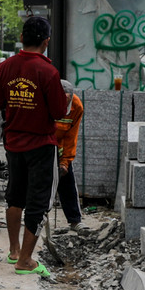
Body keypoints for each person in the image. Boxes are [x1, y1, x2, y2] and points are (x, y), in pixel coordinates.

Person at [0, 15, 67, 277]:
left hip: (13, 143)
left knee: (15, 195)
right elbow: (57, 112)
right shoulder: (48, 72)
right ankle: (25, 260)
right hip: (41, 145)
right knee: (38, 202)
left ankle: (13, 250)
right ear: (46, 41)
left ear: (22, 38)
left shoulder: (5, 67)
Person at [54, 80, 85, 231]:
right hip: (39, 145)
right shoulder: (42, 102)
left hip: (60, 149)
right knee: (29, 183)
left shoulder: (76, 106)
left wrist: (64, 162)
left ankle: (75, 220)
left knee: (67, 182)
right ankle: (16, 215)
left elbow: (71, 136)